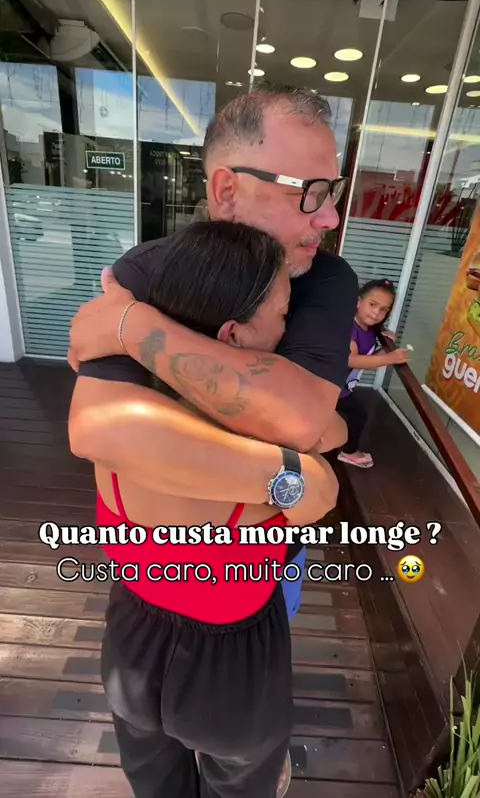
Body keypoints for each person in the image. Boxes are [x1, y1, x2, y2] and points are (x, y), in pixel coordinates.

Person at [68, 85, 358, 624]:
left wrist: (133, 326)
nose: (330, 218)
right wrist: (290, 476)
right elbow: (100, 431)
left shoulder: (324, 277)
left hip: (262, 580)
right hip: (142, 584)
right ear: (227, 189)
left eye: (333, 192)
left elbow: (298, 418)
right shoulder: (151, 265)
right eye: (310, 192)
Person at [72, 219, 338, 798]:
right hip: (231, 671)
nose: (288, 329)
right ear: (233, 336)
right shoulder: (257, 465)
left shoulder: (114, 426)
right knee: (240, 786)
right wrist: (295, 453)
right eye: (283, 314)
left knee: (155, 784)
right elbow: (320, 476)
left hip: (131, 642)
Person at [336, 278, 410, 468]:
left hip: (341, 386)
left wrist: (386, 348)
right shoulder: (350, 329)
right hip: (330, 386)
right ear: (358, 302)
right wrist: (389, 358)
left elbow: (368, 360)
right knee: (358, 415)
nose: (377, 313)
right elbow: (352, 360)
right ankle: (348, 452)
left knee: (352, 414)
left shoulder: (370, 329)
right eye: (373, 304)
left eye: (384, 309)